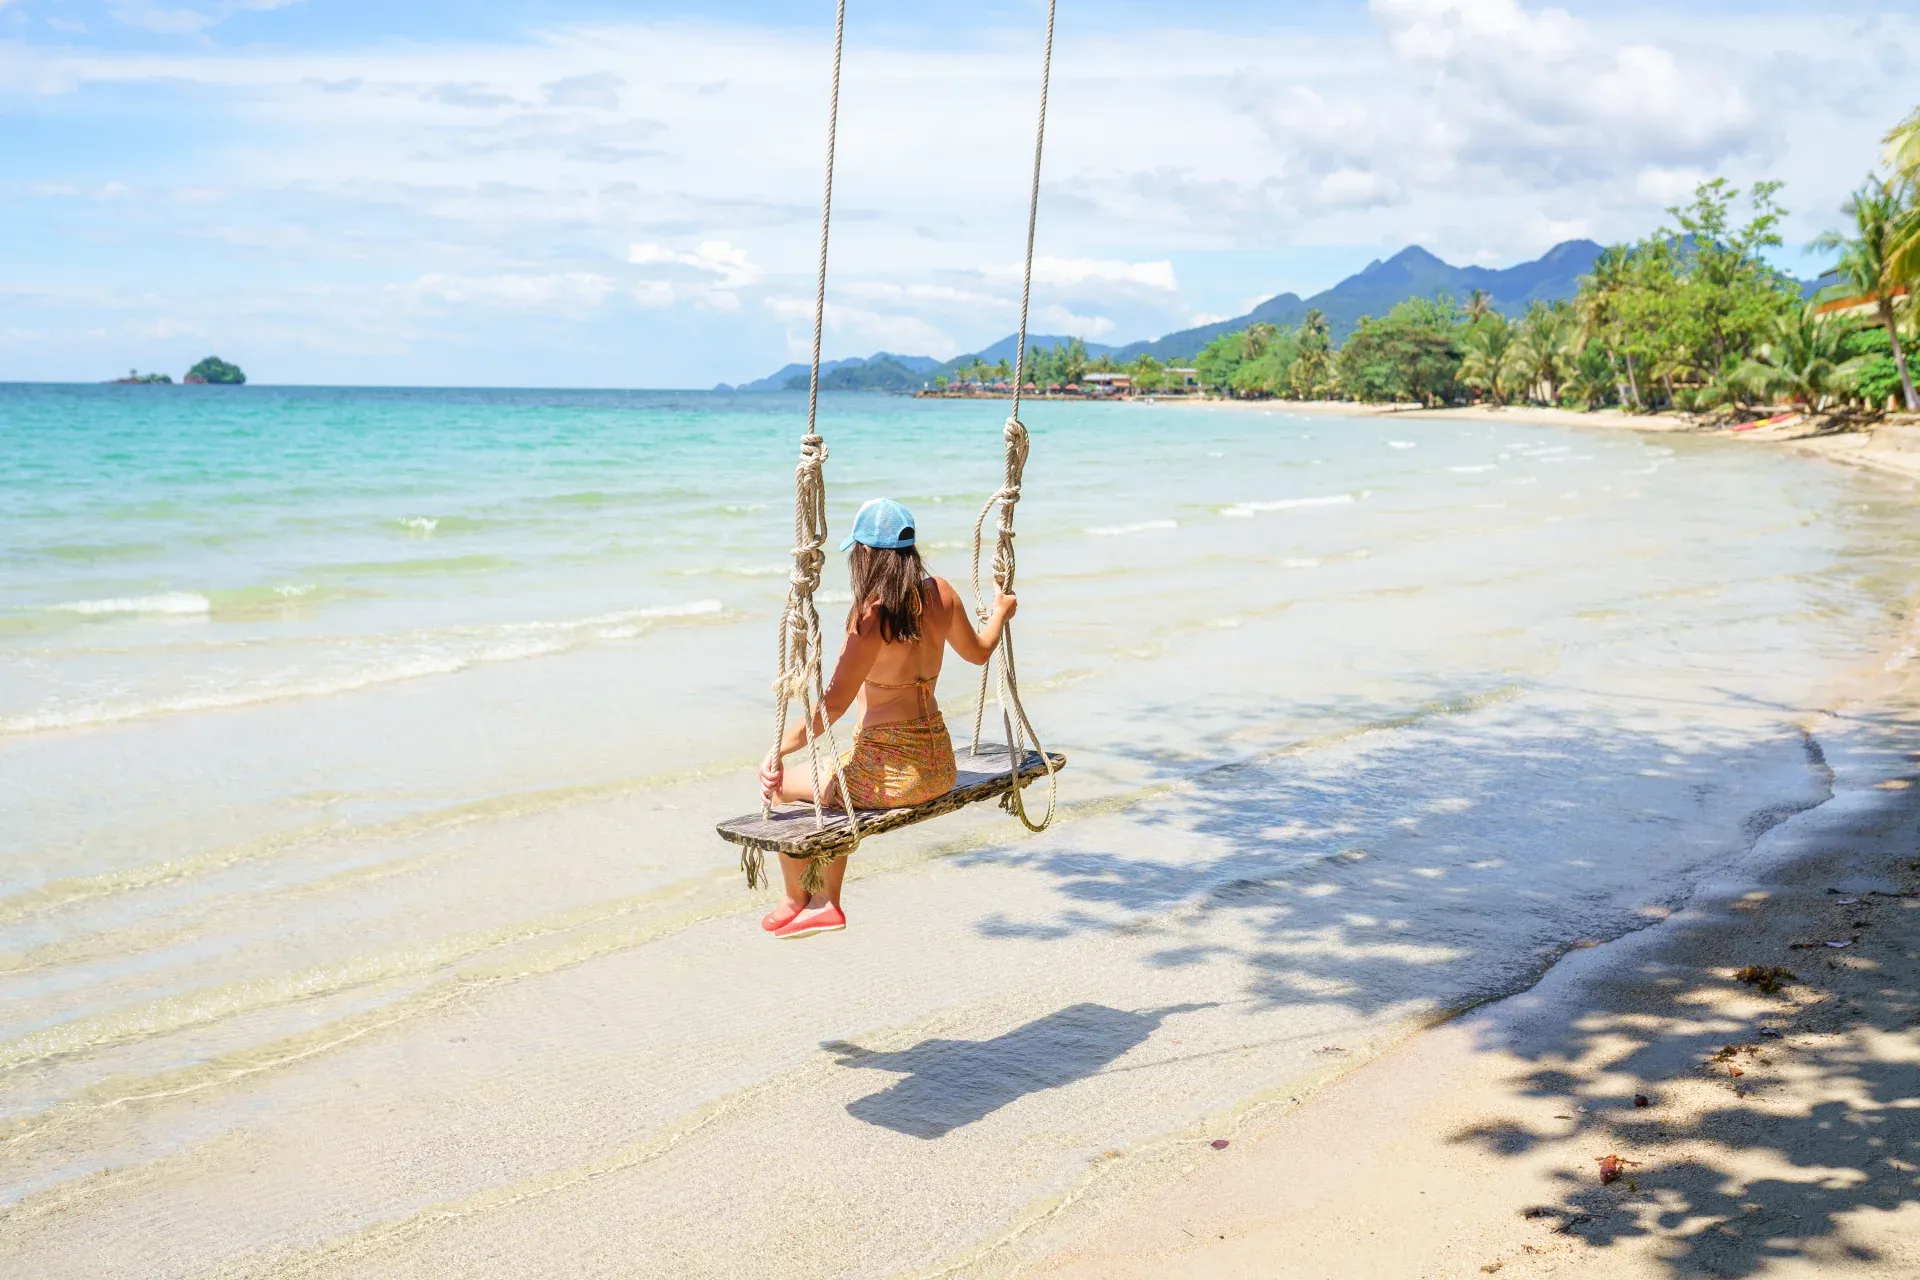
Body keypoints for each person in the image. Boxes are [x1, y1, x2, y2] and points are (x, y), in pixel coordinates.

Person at [758, 497, 1017, 940]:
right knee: (832, 776)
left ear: (865, 556)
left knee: (781, 787)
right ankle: (809, 901)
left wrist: (775, 750)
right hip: (939, 768)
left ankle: (814, 900)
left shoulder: (870, 619)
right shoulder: (942, 594)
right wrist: (1000, 612)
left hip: (892, 778)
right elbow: (979, 653)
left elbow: (831, 709)